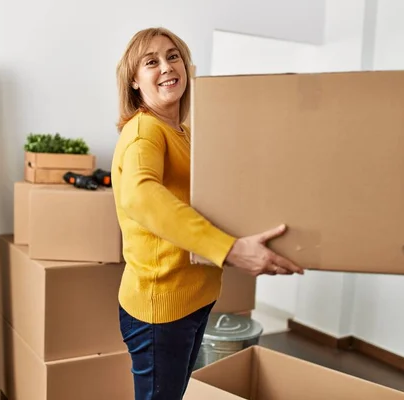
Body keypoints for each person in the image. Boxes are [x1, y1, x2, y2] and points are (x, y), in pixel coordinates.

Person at [111, 27, 305, 400]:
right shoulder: (144, 133)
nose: (167, 67)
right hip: (160, 308)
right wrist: (230, 248)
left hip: (193, 297)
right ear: (134, 81)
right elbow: (141, 195)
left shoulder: (180, 130)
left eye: (173, 56)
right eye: (151, 62)